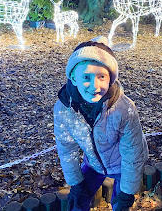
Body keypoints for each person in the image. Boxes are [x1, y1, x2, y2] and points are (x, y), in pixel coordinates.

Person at [54, 36, 149, 211]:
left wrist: (128, 192)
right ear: (73, 78)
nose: (94, 86)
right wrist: (75, 182)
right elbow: (66, 147)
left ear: (111, 78)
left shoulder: (124, 109)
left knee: (120, 202)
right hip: (93, 162)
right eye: (86, 77)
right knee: (78, 200)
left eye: (101, 76)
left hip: (122, 163)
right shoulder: (64, 109)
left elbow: (132, 152)